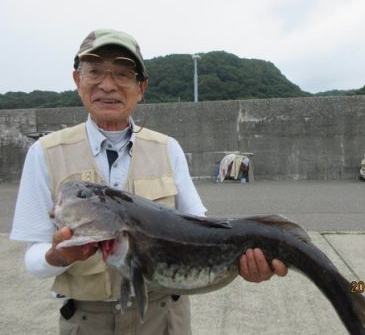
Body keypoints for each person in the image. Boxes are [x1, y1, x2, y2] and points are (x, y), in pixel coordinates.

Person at [10, 29, 287, 335]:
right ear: (78, 81)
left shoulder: (168, 148)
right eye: (95, 72)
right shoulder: (44, 153)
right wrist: (57, 256)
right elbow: (33, 259)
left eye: (122, 73)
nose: (107, 84)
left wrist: (238, 261)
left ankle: (354, 291)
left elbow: (201, 229)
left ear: (141, 87)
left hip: (164, 316)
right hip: (87, 320)